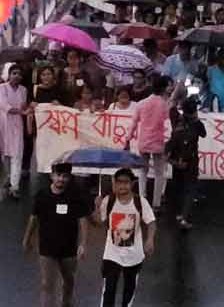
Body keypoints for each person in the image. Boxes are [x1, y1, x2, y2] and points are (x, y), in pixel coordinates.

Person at [22, 162, 90, 307]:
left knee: (69, 279)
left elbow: (83, 219)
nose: (61, 179)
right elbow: (33, 218)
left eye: (65, 176)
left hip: (69, 248)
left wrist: (83, 243)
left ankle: (66, 302)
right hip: (47, 248)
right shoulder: (42, 195)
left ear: (69, 178)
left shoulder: (75, 196)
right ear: (52, 176)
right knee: (47, 284)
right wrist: (27, 238)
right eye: (58, 175)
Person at [93, 168, 156, 307]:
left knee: (129, 290)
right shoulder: (108, 201)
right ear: (114, 183)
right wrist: (97, 207)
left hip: (134, 255)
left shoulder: (140, 202)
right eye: (119, 182)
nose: (122, 185)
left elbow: (151, 222)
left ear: (132, 183)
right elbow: (98, 222)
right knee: (109, 290)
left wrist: (150, 239)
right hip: (112, 254)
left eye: (126, 182)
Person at [126, 76, 171, 214]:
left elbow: (133, 123)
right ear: (164, 88)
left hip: (144, 141)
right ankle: (156, 203)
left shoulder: (142, 103)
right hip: (158, 141)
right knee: (159, 173)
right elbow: (167, 126)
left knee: (143, 171)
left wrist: (128, 138)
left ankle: (142, 199)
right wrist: (168, 141)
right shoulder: (164, 105)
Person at [166, 99, 206, 230]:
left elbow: (172, 105)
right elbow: (204, 134)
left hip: (176, 161)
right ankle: (184, 217)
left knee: (178, 187)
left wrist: (175, 163)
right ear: (194, 111)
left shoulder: (176, 120)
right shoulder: (197, 124)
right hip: (191, 161)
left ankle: (178, 214)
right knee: (190, 189)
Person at [0, 64, 29, 199]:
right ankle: (7, 178)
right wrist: (22, 111)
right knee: (4, 155)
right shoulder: (1, 88)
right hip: (4, 125)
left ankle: (14, 187)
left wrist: (27, 109)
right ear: (9, 74)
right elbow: (5, 106)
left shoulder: (23, 90)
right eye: (14, 73)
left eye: (19, 74)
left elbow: (24, 106)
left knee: (17, 155)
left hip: (17, 125)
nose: (17, 76)